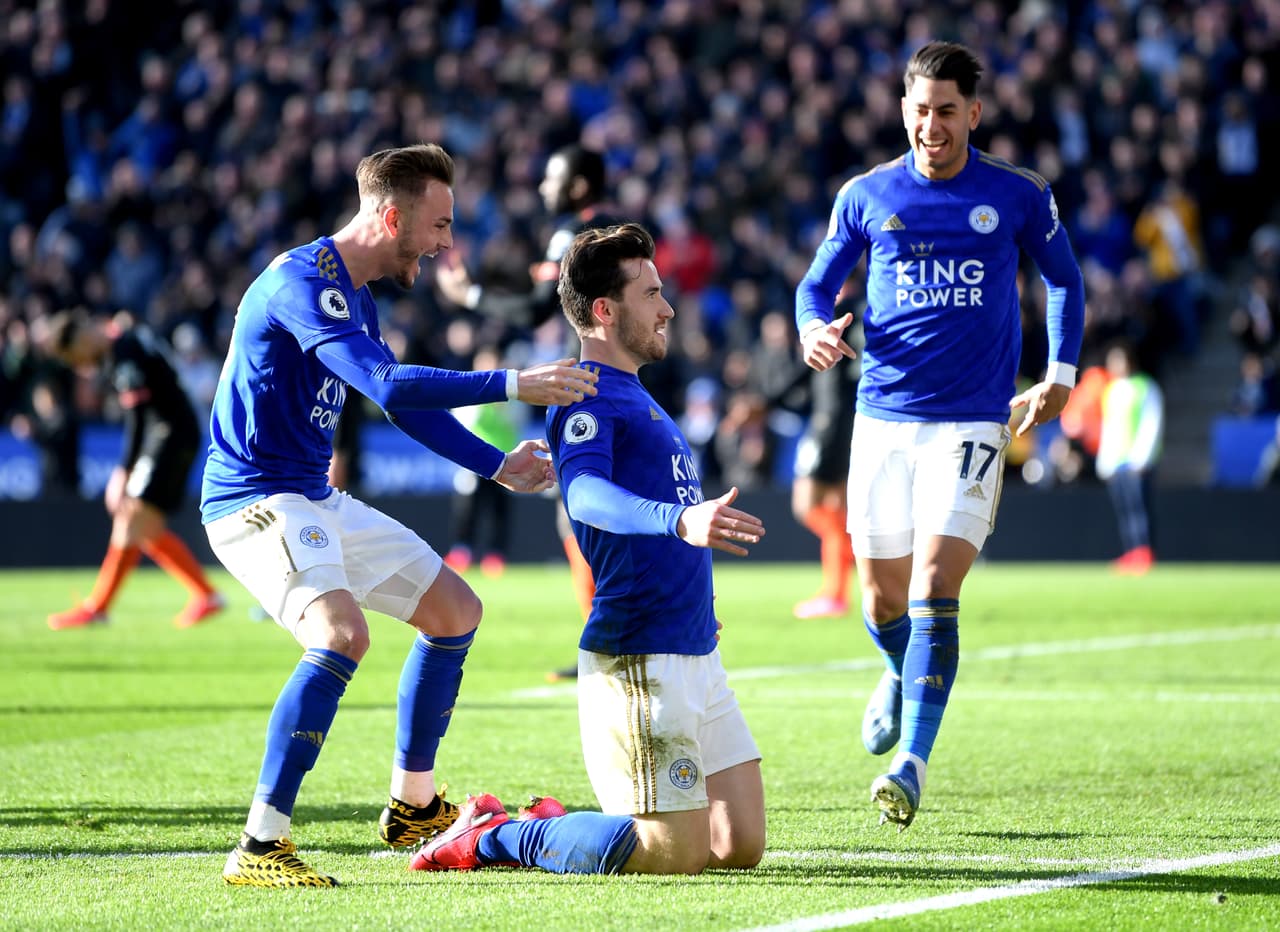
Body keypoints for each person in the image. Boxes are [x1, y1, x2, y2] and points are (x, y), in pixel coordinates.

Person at [199, 143, 599, 887]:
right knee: (341, 635)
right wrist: (512, 382)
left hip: (310, 495)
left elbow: (399, 404)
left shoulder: (357, 296)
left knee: (455, 609)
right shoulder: (299, 282)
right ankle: (260, 846)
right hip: (254, 499)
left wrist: (496, 464)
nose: (447, 243)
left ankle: (413, 806)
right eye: (440, 224)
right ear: (391, 216)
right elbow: (387, 382)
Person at [411, 222, 766, 875]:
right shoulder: (584, 391)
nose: (667, 307)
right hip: (637, 653)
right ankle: (495, 833)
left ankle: (553, 823)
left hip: (695, 649)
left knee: (738, 848)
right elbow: (585, 498)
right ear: (605, 310)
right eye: (651, 293)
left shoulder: (637, 393)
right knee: (673, 856)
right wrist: (679, 520)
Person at [794, 42, 1085, 831]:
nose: (933, 126)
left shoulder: (1017, 194)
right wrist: (814, 328)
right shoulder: (866, 194)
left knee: (930, 589)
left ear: (974, 114)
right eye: (920, 111)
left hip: (972, 422)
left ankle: (911, 763)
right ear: (904, 112)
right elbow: (815, 284)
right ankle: (899, 673)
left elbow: (1064, 278)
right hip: (882, 420)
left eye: (947, 112)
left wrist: (1060, 371)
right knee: (882, 598)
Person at [437, 143, 617, 682]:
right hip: (613, 381)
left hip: (589, 385)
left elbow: (539, 307)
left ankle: (604, 643)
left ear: (579, 185)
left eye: (553, 176)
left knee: (580, 513)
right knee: (589, 512)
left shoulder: (576, 234)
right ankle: (608, 640)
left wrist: (470, 296)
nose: (543, 187)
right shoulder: (613, 231)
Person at [44, 308, 225, 631]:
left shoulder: (123, 351)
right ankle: (203, 595)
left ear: (82, 338)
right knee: (138, 524)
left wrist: (123, 471)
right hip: (175, 432)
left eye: (75, 357)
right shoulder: (126, 337)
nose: (81, 366)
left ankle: (100, 608)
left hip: (168, 435)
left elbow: (138, 417)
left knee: (134, 519)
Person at [791, 300, 862, 620]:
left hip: (830, 422)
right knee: (836, 509)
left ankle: (840, 583)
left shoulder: (848, 310)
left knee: (809, 506)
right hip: (839, 418)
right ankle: (838, 586)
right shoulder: (853, 308)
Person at [1095, 341, 1163, 574]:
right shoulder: (1111, 390)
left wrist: (1142, 456)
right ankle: (1131, 551)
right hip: (1117, 462)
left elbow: (1151, 422)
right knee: (1124, 511)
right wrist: (1105, 461)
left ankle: (1144, 551)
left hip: (1136, 461)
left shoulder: (1145, 386)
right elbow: (1108, 427)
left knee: (1139, 509)